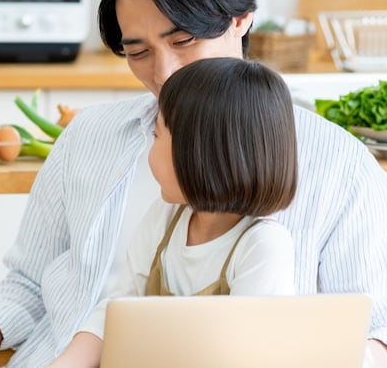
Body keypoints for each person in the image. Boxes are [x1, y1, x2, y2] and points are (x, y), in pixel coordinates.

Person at [0, 0, 387, 368]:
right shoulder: (89, 138)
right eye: (138, 51)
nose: (162, 74)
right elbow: (31, 283)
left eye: (183, 41)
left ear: (241, 20)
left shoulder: (337, 164)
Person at [48, 57, 299, 368]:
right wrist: (68, 362)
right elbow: (119, 309)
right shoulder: (166, 217)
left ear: (201, 153)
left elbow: (247, 356)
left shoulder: (263, 247)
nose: (149, 150)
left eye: (156, 136)